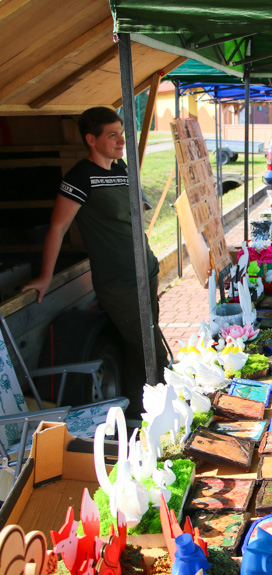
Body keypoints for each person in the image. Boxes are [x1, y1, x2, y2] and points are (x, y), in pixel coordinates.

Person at [21, 106, 169, 415]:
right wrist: (46, 277)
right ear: (91, 139)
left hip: (147, 269)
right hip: (118, 282)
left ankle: (135, 411)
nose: (120, 140)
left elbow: (138, 209)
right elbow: (58, 227)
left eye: (121, 133)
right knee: (150, 351)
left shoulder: (121, 168)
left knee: (137, 347)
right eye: (112, 135)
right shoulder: (80, 177)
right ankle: (157, 415)